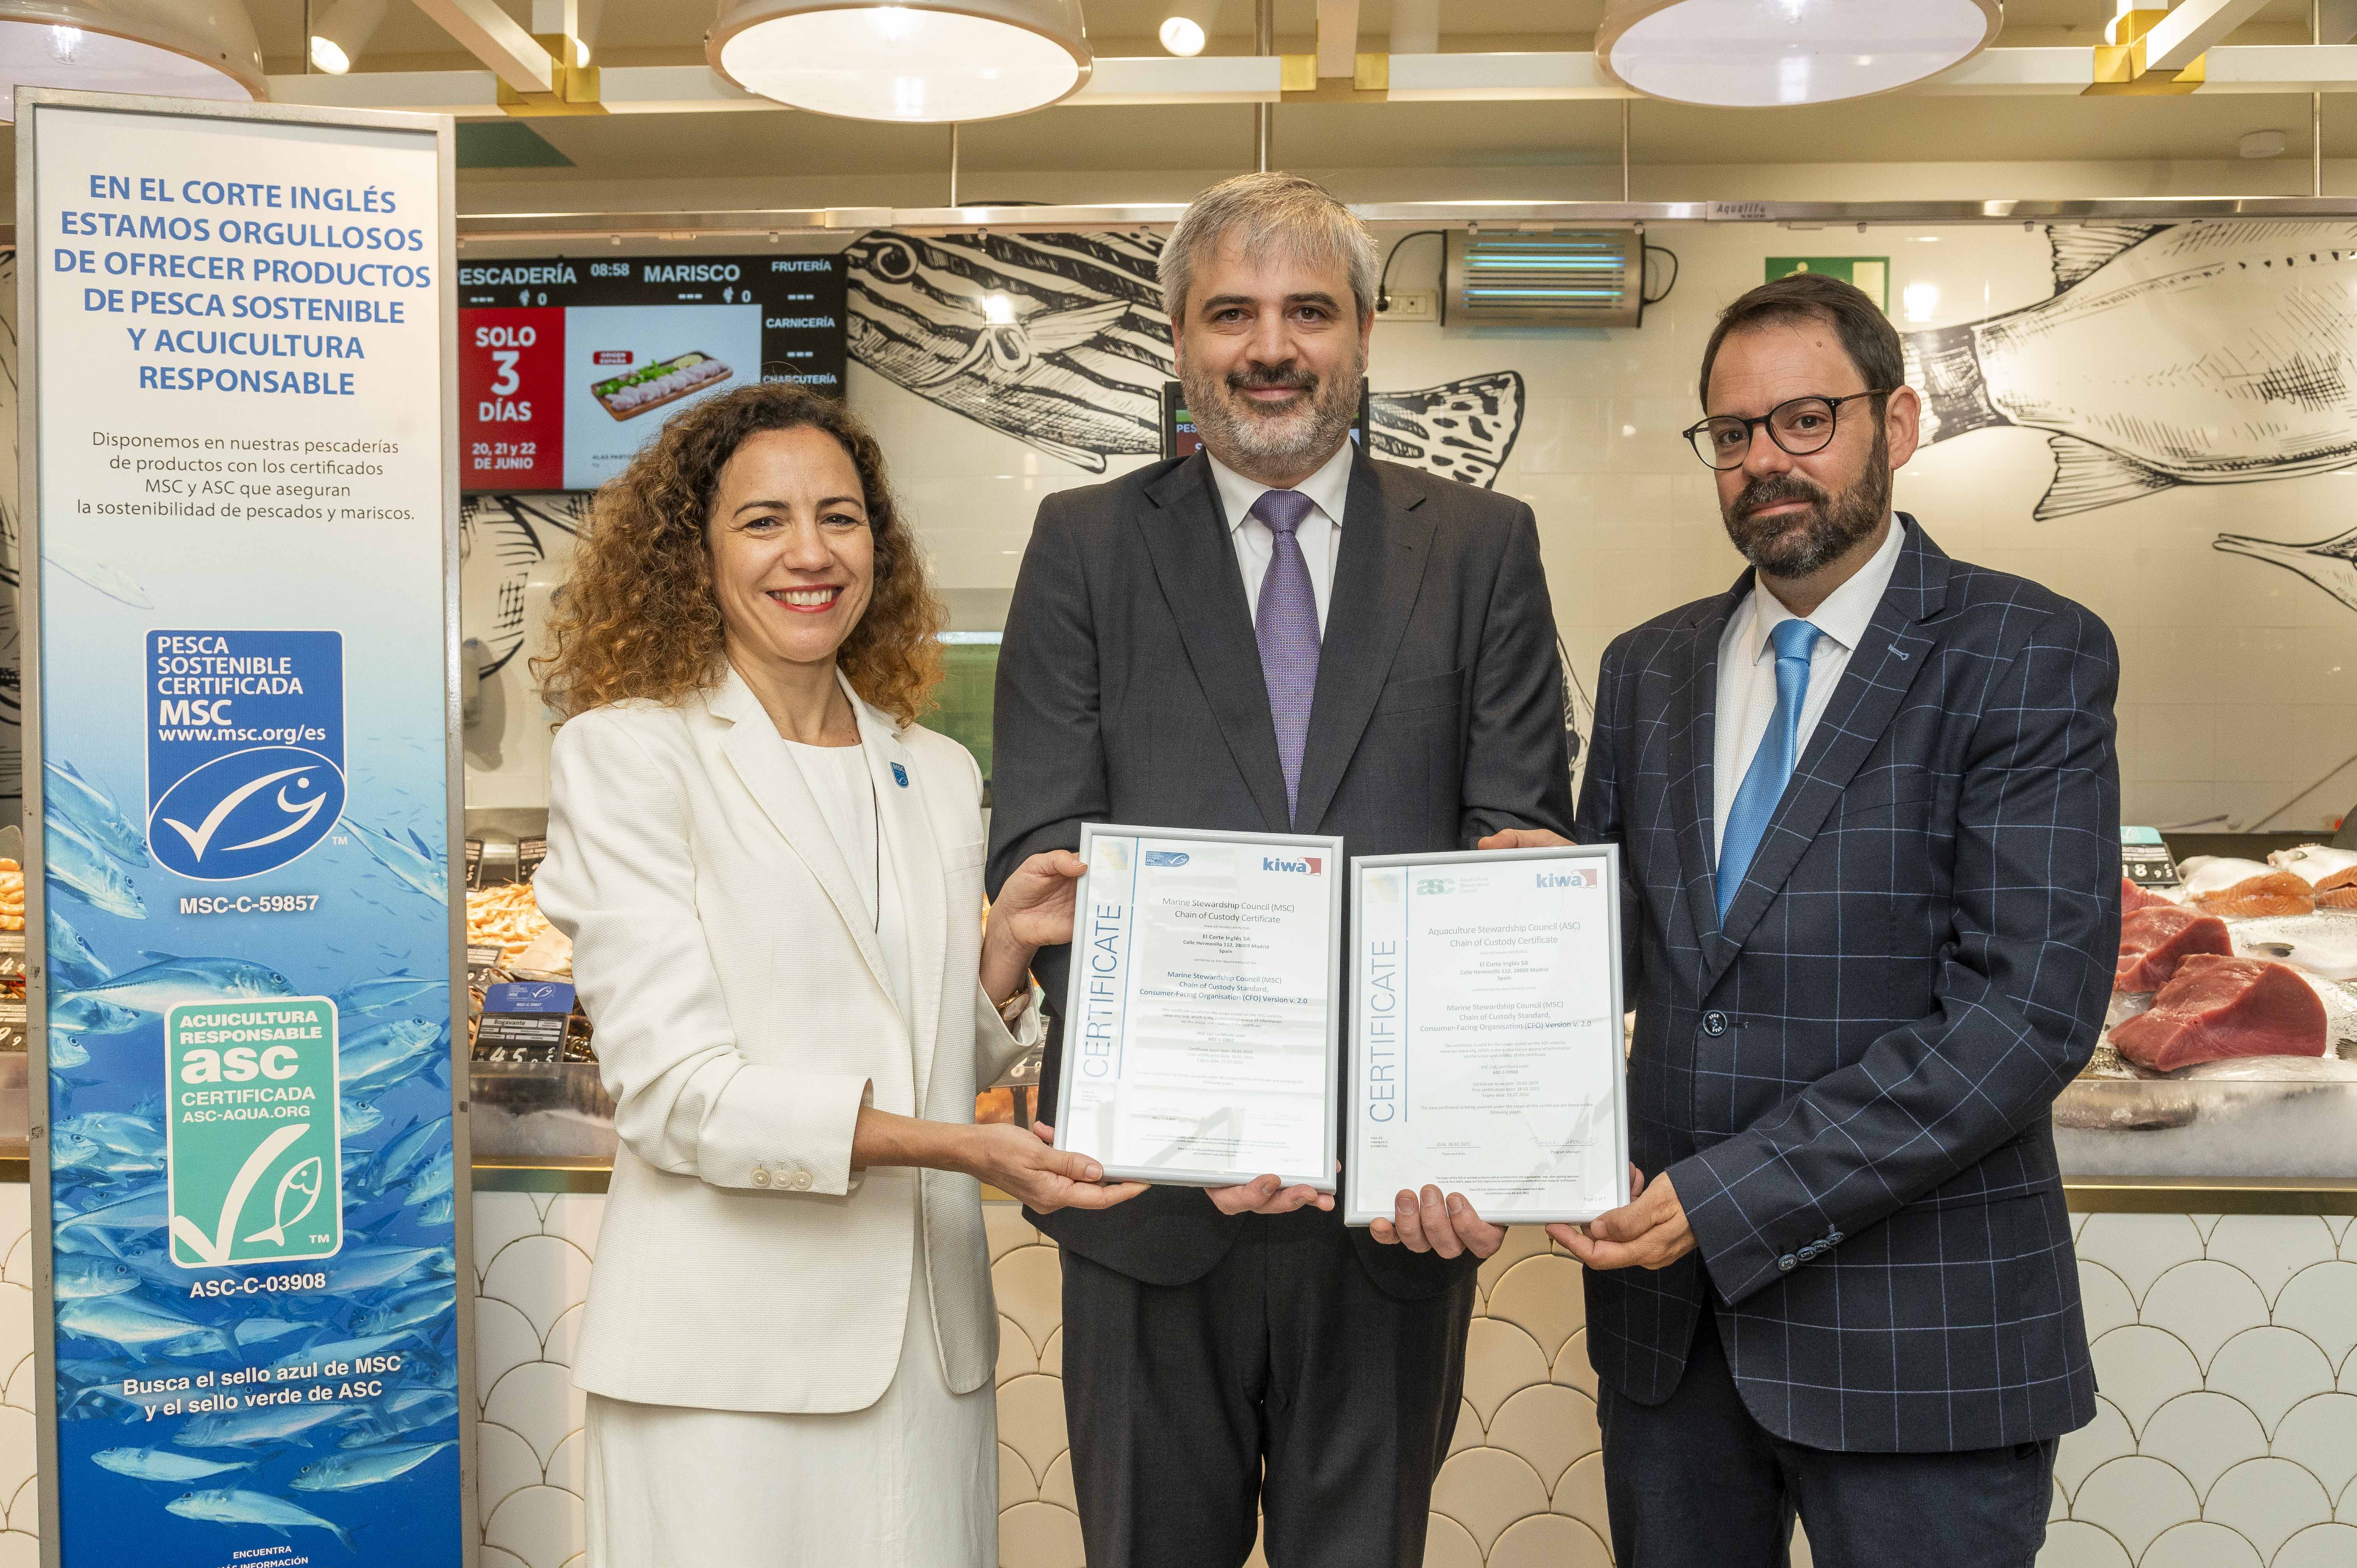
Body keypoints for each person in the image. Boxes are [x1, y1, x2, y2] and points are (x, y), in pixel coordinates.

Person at [986, 172, 1576, 1568]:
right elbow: (1041, 851)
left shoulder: (1481, 545)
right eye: (1231, 314)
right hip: (1146, 1209)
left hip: (1397, 1212)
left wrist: (1517, 981)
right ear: (1179, 341)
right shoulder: (1084, 544)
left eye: (1309, 311)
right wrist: (1203, 1118)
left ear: (1366, 332)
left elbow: (1512, 842)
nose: (1271, 348)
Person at [1555, 272, 2118, 1567]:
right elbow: (1611, 963)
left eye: (1806, 420)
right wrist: (1523, 911)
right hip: (1671, 1348)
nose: (1767, 460)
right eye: (1733, 432)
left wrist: (1729, 1196)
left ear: (1898, 424)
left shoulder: (2026, 653)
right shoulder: (1647, 669)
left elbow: (2024, 1015)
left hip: (1923, 1344)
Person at [531, 382, 1143, 1568]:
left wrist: (1003, 954)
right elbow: (676, 1096)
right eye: (762, 521)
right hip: (727, 1370)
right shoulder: (629, 755)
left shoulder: (935, 773)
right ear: (695, 554)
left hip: (927, 1360)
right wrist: (960, 1149)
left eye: (841, 517)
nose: (809, 554)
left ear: (879, 545)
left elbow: (916, 1049)